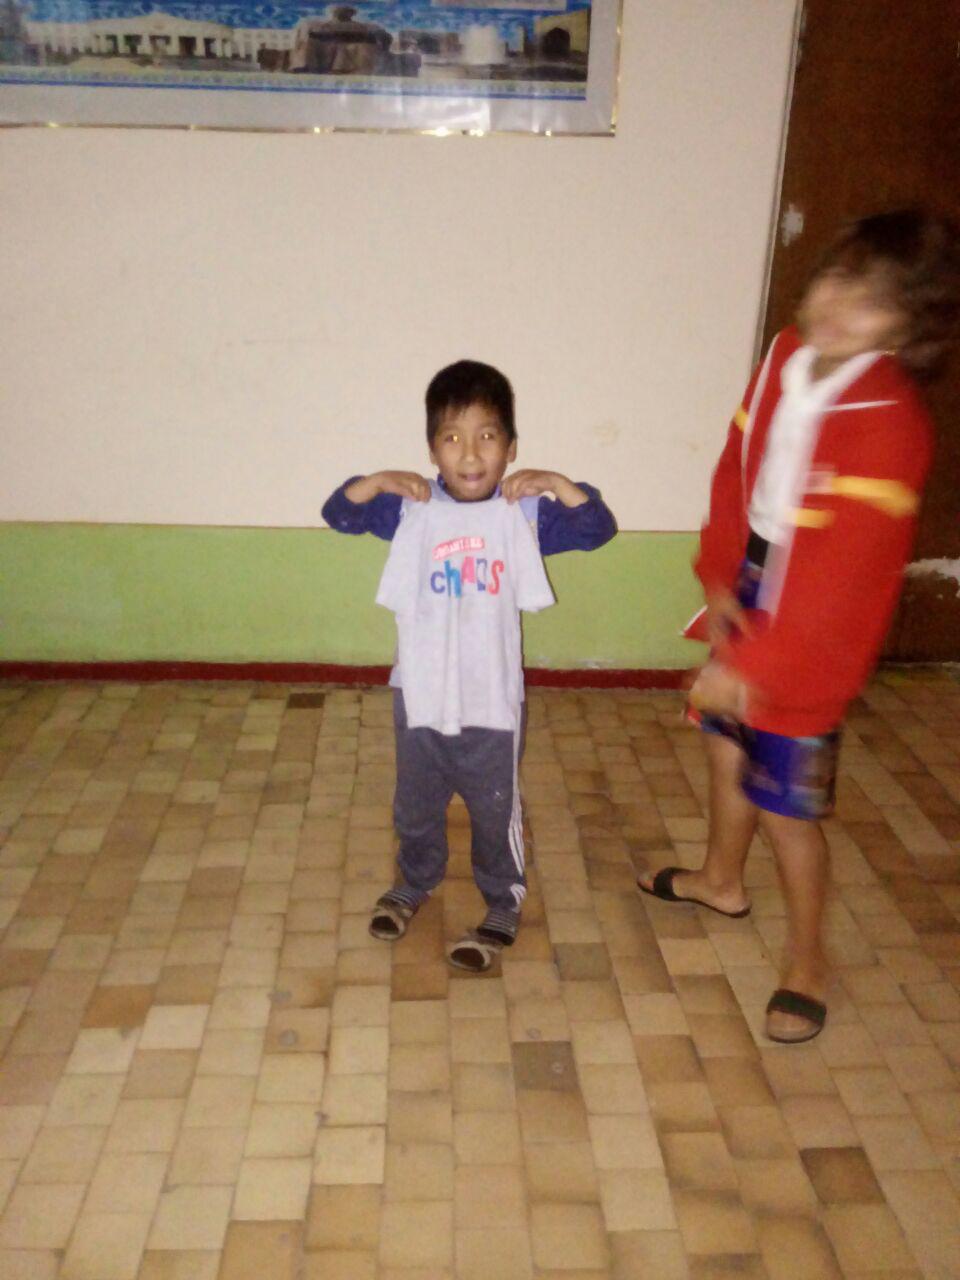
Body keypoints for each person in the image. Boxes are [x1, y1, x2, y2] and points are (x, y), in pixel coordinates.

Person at [638, 210, 960, 1043]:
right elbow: (735, 464)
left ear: (908, 330)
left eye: (874, 302)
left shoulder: (892, 422)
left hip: (819, 631)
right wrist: (718, 573)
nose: (840, 307)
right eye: (838, 280)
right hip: (755, 583)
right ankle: (720, 880)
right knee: (722, 745)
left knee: (786, 806)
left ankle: (808, 961)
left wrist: (754, 667)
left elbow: (839, 576)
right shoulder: (785, 352)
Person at [322, 359, 616, 971]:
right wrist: (377, 480)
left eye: (487, 436)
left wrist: (556, 482)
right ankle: (414, 880)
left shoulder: (523, 514)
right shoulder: (412, 508)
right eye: (452, 438)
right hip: (420, 693)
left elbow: (596, 529)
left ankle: (503, 899)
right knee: (415, 803)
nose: (471, 453)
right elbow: (339, 512)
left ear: (511, 448)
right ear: (432, 449)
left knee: (493, 809)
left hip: (492, 701)